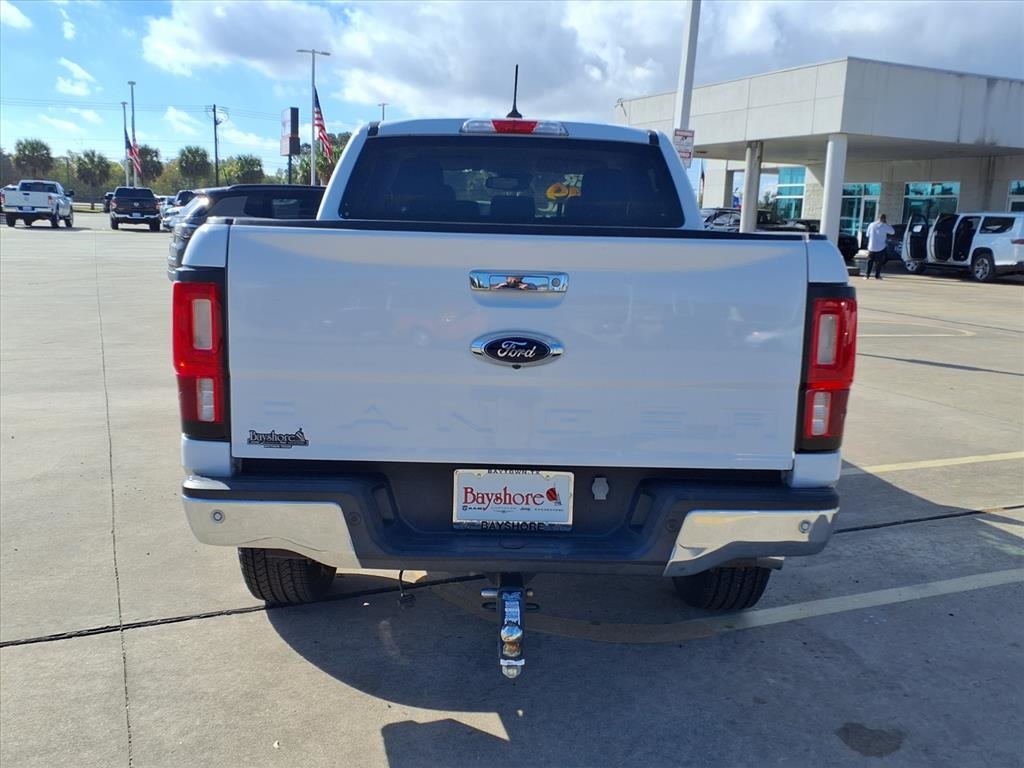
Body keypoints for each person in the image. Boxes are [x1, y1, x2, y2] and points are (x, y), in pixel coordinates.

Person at [864, 214, 895, 280]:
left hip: (871, 246)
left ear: (878, 218)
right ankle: (877, 276)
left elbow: (867, 235)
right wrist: (887, 224)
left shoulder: (871, 224)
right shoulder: (885, 226)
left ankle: (867, 275)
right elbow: (892, 232)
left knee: (870, 261)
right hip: (880, 247)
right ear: (884, 219)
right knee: (879, 262)